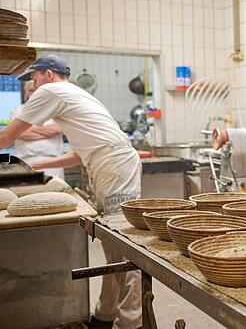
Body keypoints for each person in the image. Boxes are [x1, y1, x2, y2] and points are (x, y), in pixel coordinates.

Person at [0, 54, 142, 329]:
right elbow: (79, 155)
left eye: (35, 78)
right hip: (110, 163)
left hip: (114, 165)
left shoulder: (51, 90)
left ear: (48, 75)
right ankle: (105, 315)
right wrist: (38, 164)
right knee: (113, 243)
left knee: (124, 247)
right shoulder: (73, 95)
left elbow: (8, 135)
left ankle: (131, 323)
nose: (33, 85)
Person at [10, 81, 65, 178]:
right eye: (31, 91)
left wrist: (29, 130)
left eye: (37, 90)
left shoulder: (56, 110)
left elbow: (57, 129)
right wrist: (46, 131)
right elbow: (18, 133)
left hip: (53, 162)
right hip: (25, 162)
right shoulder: (18, 110)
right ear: (26, 92)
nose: (34, 94)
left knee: (54, 191)